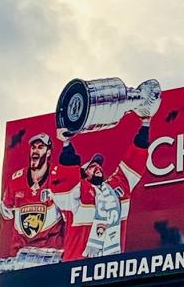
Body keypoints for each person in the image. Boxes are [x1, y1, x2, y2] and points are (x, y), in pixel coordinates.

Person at [51, 111, 152, 259]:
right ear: (82, 174)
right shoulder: (78, 193)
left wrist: (145, 124)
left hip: (110, 267)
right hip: (76, 266)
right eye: (92, 166)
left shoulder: (118, 186)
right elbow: (66, 180)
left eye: (98, 166)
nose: (98, 167)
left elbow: (135, 160)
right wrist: (66, 143)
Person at [0, 131, 77, 271]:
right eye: (33, 147)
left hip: (51, 257)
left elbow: (75, 175)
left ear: (48, 152)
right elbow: (6, 214)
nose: (35, 150)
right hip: (20, 258)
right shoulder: (16, 180)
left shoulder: (58, 176)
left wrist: (66, 143)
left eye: (40, 147)